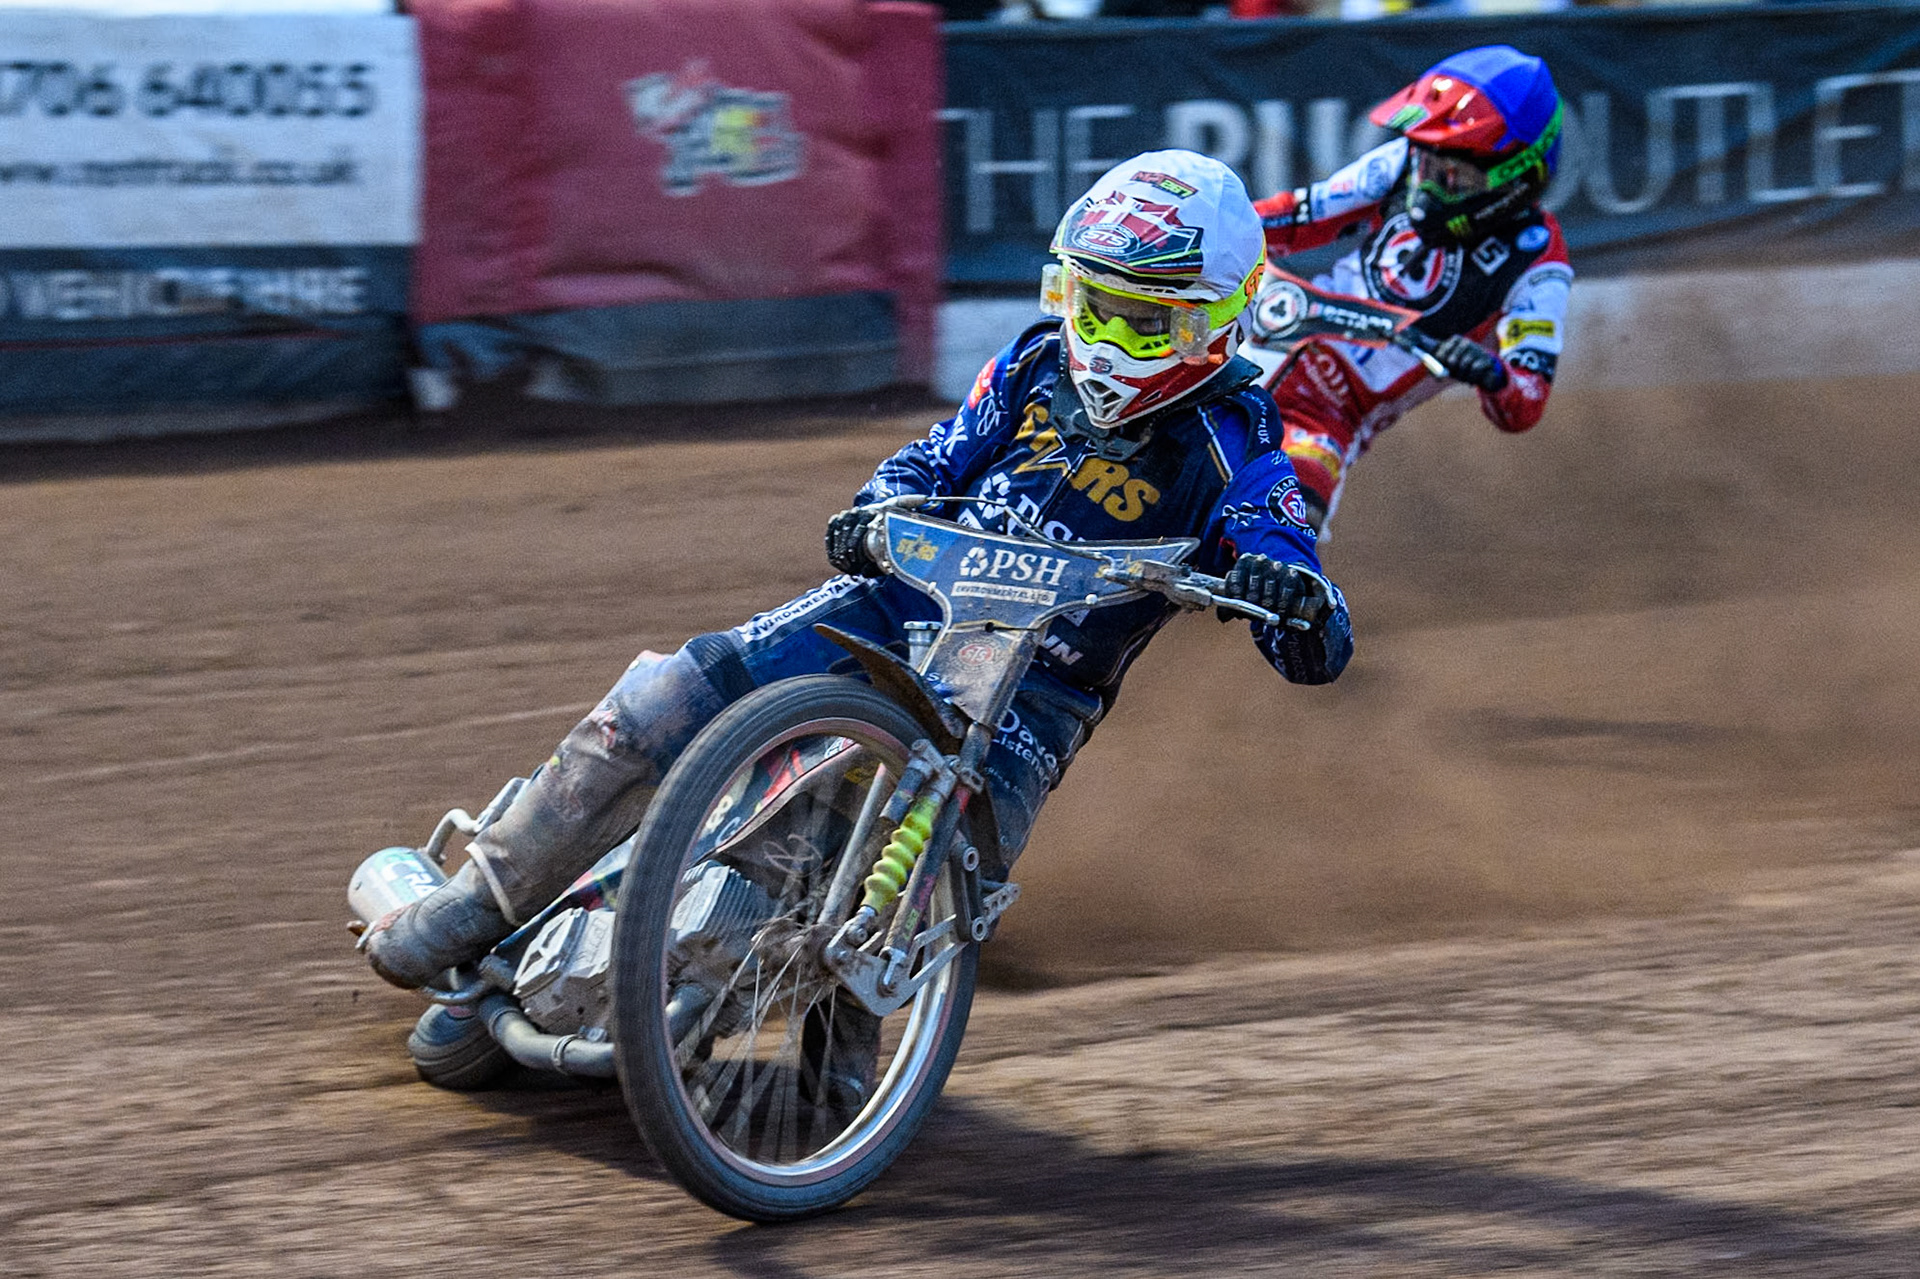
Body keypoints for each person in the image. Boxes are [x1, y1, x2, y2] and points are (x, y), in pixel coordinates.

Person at [360, 151, 1354, 1060]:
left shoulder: (1239, 448)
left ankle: (842, 1075)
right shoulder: (1033, 364)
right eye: (1095, 306)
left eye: (1144, 322)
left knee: (931, 870)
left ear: (1220, 317)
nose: (1106, 340)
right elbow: (935, 456)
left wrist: (1291, 597)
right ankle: (477, 907)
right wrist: (878, 507)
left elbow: (1294, 579)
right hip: (895, 605)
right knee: (672, 692)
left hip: (1031, 697)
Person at [1244, 44, 1572, 531]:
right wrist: (1219, 225)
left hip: (1329, 412)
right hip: (1272, 321)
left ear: (1515, 181)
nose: (1432, 186)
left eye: (1454, 176)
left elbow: (1525, 401)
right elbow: (1298, 217)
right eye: (1429, 165)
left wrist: (1491, 372)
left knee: (1294, 513)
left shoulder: (1538, 261)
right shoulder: (1405, 162)